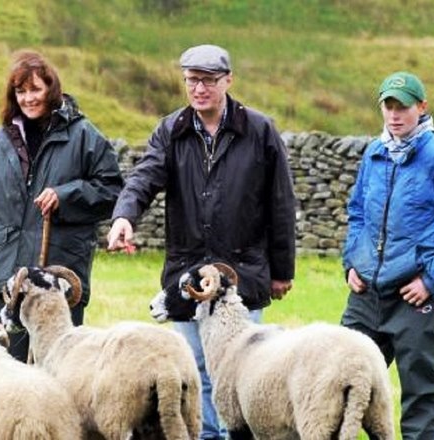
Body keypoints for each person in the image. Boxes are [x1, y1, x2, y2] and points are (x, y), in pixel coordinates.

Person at [107, 44, 296, 440]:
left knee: (242, 371)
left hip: (241, 275)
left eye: (209, 80)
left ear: (228, 80)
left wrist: (281, 271)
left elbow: (280, 202)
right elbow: (145, 177)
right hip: (188, 275)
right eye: (192, 80)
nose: (199, 89)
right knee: (195, 370)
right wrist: (125, 215)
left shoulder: (259, 130)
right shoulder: (171, 130)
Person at [0, 50, 124, 362]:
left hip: (59, 277)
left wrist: (66, 195)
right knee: (11, 374)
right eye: (21, 91)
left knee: (59, 372)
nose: (28, 98)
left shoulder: (84, 136)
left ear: (51, 89)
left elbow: (112, 191)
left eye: (36, 89)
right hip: (9, 277)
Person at [341, 71, 434, 439]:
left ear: (422, 107)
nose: (394, 114)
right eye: (388, 106)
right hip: (365, 295)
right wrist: (352, 263)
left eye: (402, 107)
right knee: (340, 381)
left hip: (413, 297)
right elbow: (357, 213)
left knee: (423, 391)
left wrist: (431, 281)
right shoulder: (374, 153)